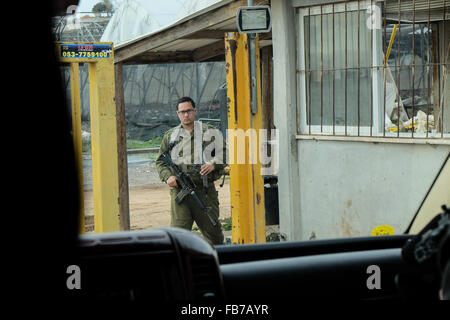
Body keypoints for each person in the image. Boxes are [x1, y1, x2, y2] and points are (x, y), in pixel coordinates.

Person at [156, 97, 227, 245]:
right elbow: (161, 161)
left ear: (195, 111)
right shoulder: (171, 136)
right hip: (181, 194)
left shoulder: (209, 132)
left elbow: (225, 153)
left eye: (189, 111)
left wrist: (213, 164)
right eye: (182, 112)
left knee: (214, 235)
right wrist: (168, 177)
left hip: (204, 192)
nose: (186, 115)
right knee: (178, 237)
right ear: (178, 114)